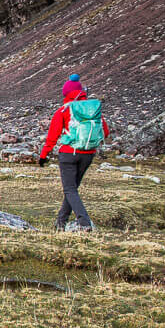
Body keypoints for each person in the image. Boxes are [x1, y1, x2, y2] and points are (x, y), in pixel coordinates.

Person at [39, 74, 110, 231]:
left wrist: (44, 155)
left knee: (70, 189)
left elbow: (52, 136)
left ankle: (84, 223)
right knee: (72, 189)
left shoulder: (64, 110)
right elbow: (105, 132)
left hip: (68, 154)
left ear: (66, 94)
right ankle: (60, 222)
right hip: (88, 153)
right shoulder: (93, 110)